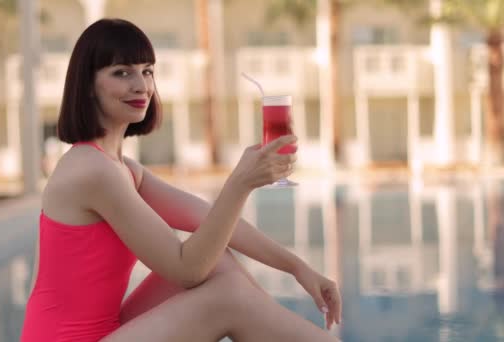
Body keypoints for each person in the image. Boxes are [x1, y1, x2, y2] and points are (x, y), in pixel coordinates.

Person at [20, 18, 342, 342]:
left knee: (220, 261)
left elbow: (205, 219)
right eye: (122, 72)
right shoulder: (92, 171)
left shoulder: (122, 169)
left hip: (107, 332)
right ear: (88, 84)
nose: (141, 85)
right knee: (225, 296)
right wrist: (240, 183)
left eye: (147, 71)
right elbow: (186, 269)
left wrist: (299, 268)